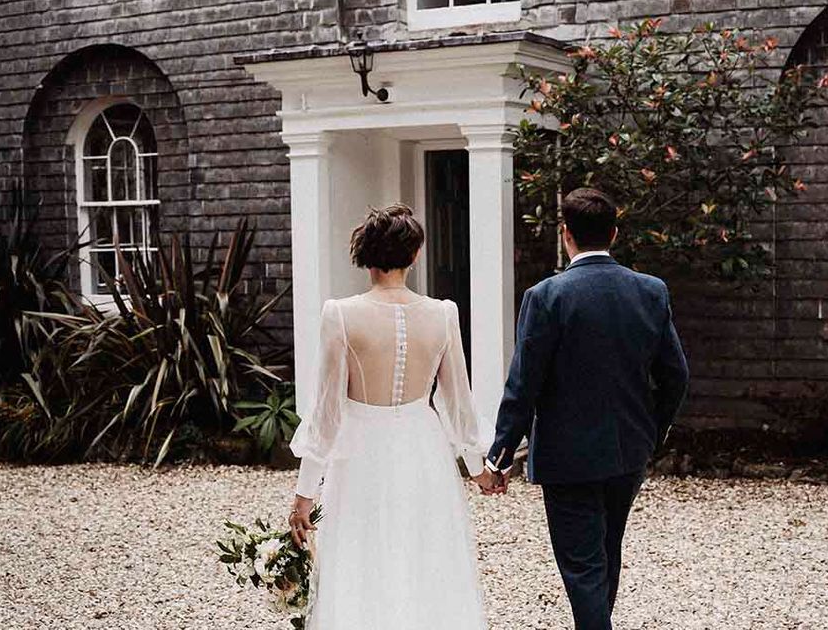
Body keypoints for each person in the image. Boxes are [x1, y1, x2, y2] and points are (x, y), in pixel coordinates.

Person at [483, 186, 690, 630]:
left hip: (567, 456)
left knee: (583, 566)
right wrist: (654, 431)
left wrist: (500, 454)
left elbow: (524, 384)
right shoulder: (650, 291)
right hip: (629, 451)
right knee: (605, 550)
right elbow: (676, 374)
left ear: (565, 235)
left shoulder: (546, 297)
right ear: (613, 233)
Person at [287, 203, 497, 630]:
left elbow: (326, 410)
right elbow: (457, 400)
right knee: (423, 554)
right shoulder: (442, 313)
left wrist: (304, 494)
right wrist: (479, 467)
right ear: (415, 255)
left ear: (364, 255)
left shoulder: (341, 314)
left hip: (361, 450)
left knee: (362, 555)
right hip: (423, 448)